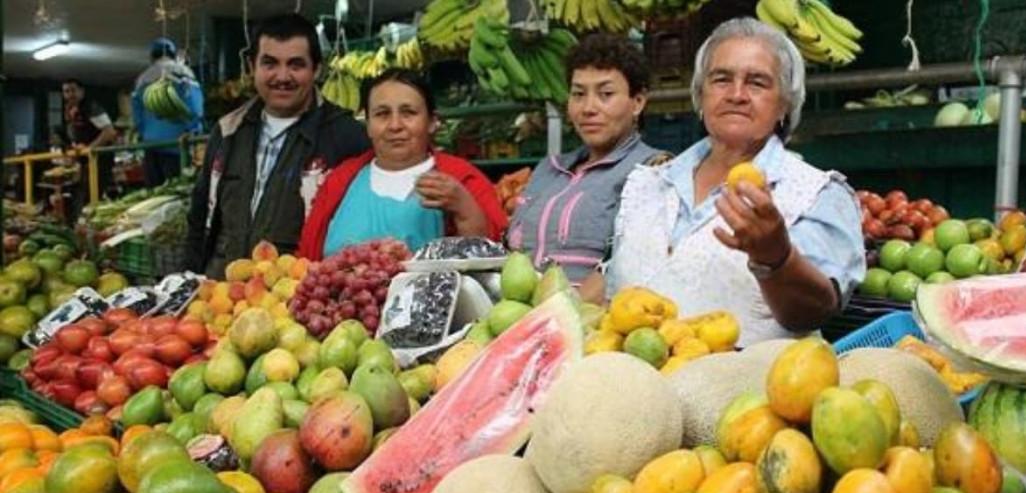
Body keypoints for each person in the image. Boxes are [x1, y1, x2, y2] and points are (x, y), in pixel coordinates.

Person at [604, 18, 865, 346]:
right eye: (721, 79)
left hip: (749, 378)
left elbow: (814, 311)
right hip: (632, 374)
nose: (737, 94)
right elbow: (613, 294)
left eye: (757, 82)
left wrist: (777, 258)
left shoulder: (818, 194)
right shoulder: (649, 182)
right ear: (700, 96)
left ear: (784, 104)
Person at [185, 13, 370, 278]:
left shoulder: (347, 136)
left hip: (297, 293)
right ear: (252, 66)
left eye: (296, 65)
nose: (282, 76)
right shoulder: (228, 131)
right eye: (270, 63)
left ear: (316, 69)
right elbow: (199, 216)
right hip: (222, 292)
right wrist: (189, 278)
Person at [506, 33, 666, 294]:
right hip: (517, 311)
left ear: (637, 102)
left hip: (597, 316)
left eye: (606, 94)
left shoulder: (653, 169)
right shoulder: (548, 169)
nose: (588, 108)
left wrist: (561, 312)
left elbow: (632, 267)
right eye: (578, 94)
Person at [298, 68, 507, 259]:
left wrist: (464, 208)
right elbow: (307, 260)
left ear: (432, 122)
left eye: (408, 113)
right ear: (368, 125)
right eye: (382, 114)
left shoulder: (462, 180)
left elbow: (490, 258)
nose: (395, 125)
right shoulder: (340, 181)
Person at [132, 37, 205, 186]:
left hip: (150, 146)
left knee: (154, 192)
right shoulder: (185, 74)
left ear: (152, 57)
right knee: (177, 190)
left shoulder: (142, 79)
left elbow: (137, 116)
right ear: (173, 54)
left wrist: (144, 134)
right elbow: (195, 108)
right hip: (178, 145)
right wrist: (194, 131)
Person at [62, 78, 117, 211]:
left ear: (81, 91)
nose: (70, 94)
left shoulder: (91, 107)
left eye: (73, 90)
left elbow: (109, 132)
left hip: (100, 159)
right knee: (80, 194)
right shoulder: (70, 109)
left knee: (91, 195)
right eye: (66, 91)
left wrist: (89, 148)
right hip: (85, 160)